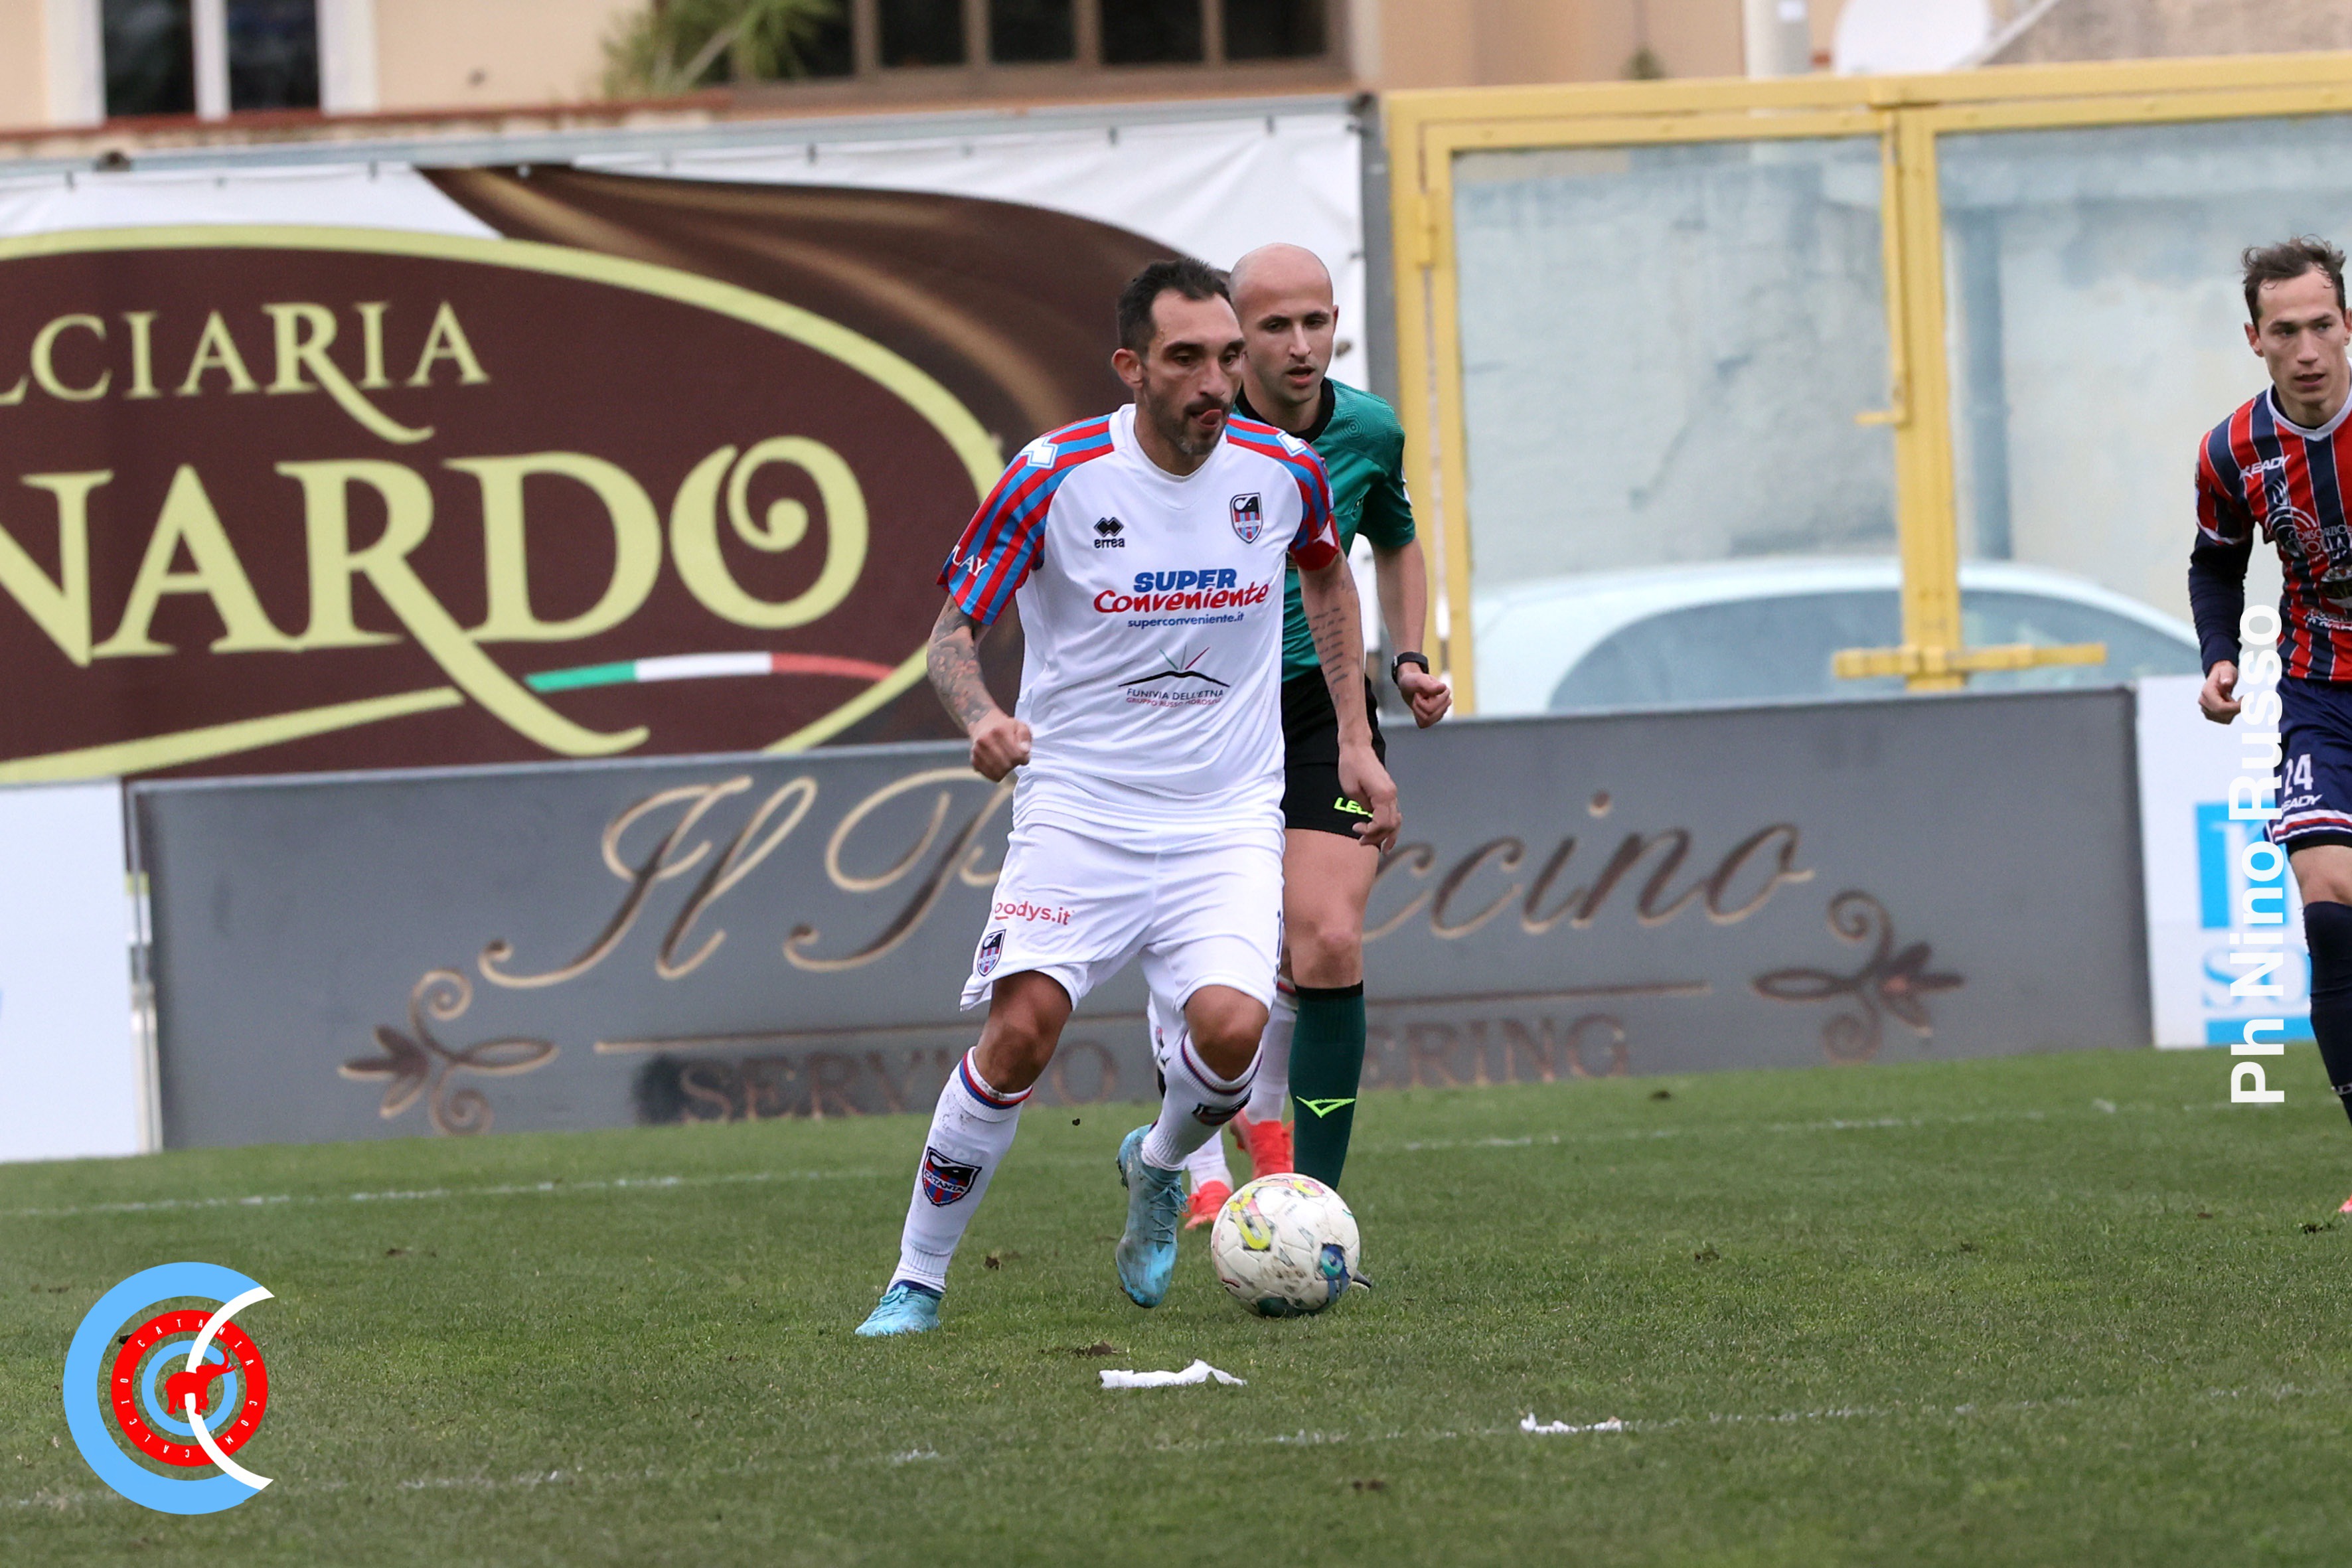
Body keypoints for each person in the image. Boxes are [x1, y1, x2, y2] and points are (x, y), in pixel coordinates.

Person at [855, 258, 1400, 1336]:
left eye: (1228, 356)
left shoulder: (1284, 471)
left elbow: (1327, 574)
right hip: (1081, 810)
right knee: (1023, 1031)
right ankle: (915, 1279)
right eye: (1186, 358)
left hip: (1223, 815)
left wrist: (1353, 735)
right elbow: (952, 632)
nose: (1216, 380)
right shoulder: (1054, 475)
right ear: (1131, 366)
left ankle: (1159, 1164)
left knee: (1235, 1030)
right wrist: (981, 716)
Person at [1176, 244, 1454, 1227]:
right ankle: (1192, 1163)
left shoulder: (1369, 428)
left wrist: (1408, 659)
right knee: (1217, 960)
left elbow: (1396, 540)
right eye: (1275, 326)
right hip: (1201, 709)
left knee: (1327, 938)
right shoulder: (1194, 433)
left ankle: (1313, 1208)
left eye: (1317, 322)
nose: (1301, 346)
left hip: (1316, 706)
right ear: (1234, 338)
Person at [2193, 235, 2352, 1208]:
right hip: (2321, 695)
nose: (2306, 348)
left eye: (2321, 325)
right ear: (2254, 338)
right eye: (2284, 330)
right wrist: (2219, 654)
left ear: (2349, 325)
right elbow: (2216, 563)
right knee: (2329, 910)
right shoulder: (2231, 450)